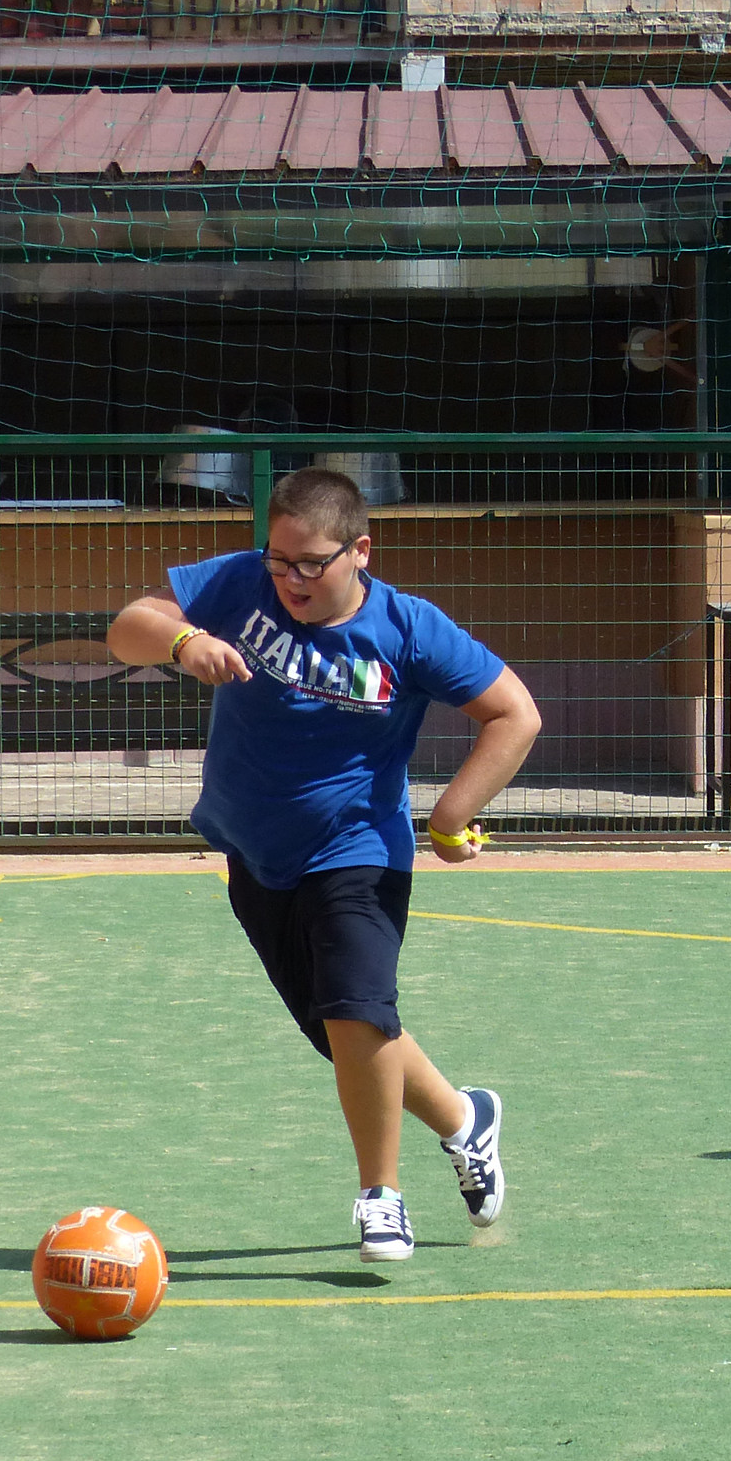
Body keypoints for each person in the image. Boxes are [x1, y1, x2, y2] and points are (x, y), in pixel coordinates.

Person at [108, 465, 541, 1263]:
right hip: (255, 853)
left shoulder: (409, 629)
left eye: (311, 563)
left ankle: (382, 1198)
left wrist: (450, 817)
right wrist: (184, 641)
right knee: (345, 1036)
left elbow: (515, 713)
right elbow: (128, 626)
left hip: (358, 851)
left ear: (360, 552)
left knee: (355, 1011)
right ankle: (463, 1118)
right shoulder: (241, 584)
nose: (292, 579)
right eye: (280, 560)